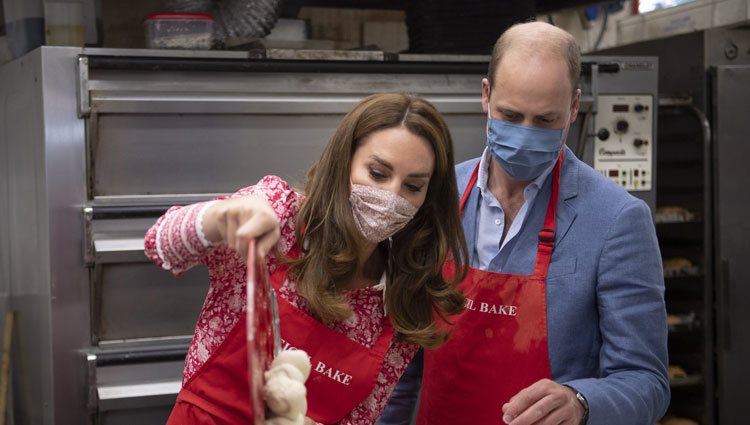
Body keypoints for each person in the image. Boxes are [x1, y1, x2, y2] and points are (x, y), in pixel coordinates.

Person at [377, 22, 670, 425]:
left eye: (545, 120)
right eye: (510, 115)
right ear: (485, 96)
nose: (524, 134)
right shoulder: (434, 195)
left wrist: (582, 401)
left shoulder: (617, 220)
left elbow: (646, 381)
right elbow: (402, 363)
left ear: (573, 107)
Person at [144, 92, 469, 425]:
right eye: (377, 173)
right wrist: (219, 217)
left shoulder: (398, 298)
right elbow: (160, 245)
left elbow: (362, 416)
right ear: (344, 161)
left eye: (413, 186)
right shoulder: (280, 217)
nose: (391, 196)